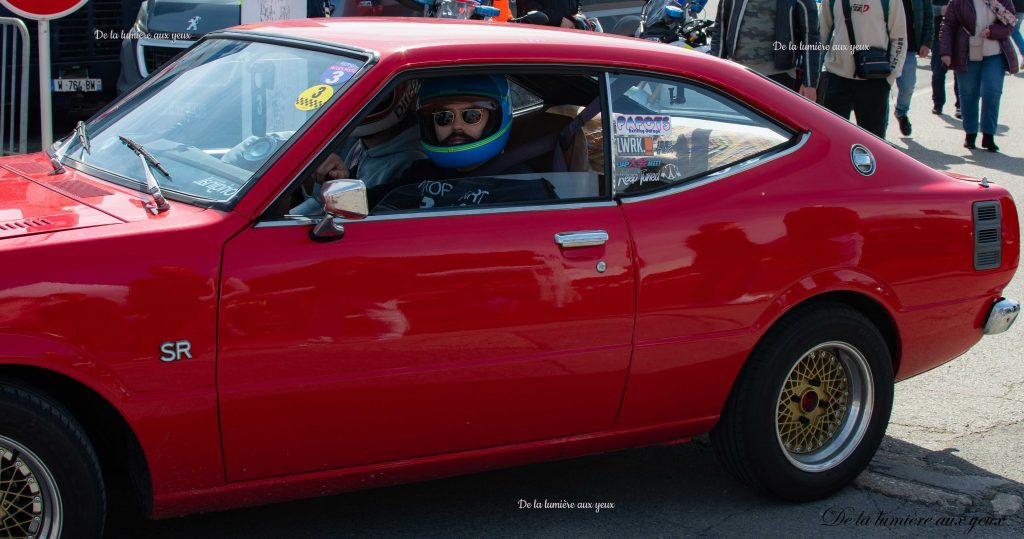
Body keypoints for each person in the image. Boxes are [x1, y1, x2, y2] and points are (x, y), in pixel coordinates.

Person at [294, 81, 426, 215]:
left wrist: (338, 185)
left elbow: (358, 217)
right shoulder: (351, 140)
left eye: (374, 95)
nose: (361, 104)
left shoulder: (410, 162)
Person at [820, 0, 908, 138]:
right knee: (832, 139)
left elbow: (900, 38)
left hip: (875, 81)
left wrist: (890, 78)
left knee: (872, 143)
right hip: (837, 78)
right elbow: (821, 34)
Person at [939, 0, 1019, 151]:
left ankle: (988, 136)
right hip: (967, 52)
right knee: (968, 94)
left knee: (992, 91)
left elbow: (1010, 23)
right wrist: (945, 52)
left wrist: (992, 31)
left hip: (995, 53)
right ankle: (970, 134)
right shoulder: (958, 2)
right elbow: (948, 25)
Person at [711, 0, 823, 101]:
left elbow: (811, 37)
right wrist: (715, 72)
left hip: (779, 78)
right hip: (736, 73)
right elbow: (720, 27)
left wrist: (810, 83)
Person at [892, 0, 935, 136]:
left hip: (908, 47)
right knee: (882, 90)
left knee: (907, 86)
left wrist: (926, 42)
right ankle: (880, 129)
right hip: (885, 46)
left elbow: (929, 16)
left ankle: (901, 112)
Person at [930, 0, 961, 116]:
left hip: (960, 37)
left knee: (960, 73)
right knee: (938, 73)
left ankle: (960, 105)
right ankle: (938, 104)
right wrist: (940, 9)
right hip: (939, 37)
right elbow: (925, 9)